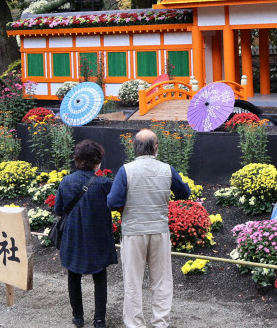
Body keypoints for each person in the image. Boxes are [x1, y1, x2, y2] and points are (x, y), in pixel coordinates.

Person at [107, 129, 190, 328]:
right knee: (162, 280)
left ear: (134, 147)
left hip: (134, 231)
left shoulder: (126, 170)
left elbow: (112, 202)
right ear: (155, 148)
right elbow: (184, 193)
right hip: (159, 231)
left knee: (133, 281)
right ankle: (160, 322)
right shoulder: (167, 169)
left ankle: (135, 324)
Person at [55, 139, 117, 328]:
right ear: (97, 161)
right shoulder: (105, 183)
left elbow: (58, 209)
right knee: (100, 278)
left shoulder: (66, 181)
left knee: (73, 276)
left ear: (77, 159)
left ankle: (78, 317)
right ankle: (99, 319)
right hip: (97, 237)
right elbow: (116, 204)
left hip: (72, 236)